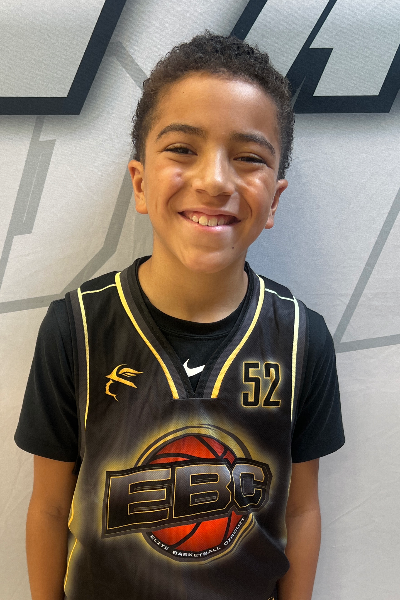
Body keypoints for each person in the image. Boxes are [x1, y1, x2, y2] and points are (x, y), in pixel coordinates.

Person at [15, 32, 344, 600]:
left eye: (248, 157)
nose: (214, 180)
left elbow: (302, 508)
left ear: (274, 200)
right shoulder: (78, 328)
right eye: (183, 149)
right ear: (141, 183)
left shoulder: (301, 338)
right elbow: (48, 506)